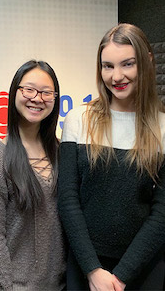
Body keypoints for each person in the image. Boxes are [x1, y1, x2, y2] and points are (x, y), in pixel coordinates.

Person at [58, 23, 165, 290]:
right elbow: (68, 201)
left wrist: (123, 275)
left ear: (147, 62)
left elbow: (162, 212)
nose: (117, 76)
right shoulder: (78, 120)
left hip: (143, 266)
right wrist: (93, 271)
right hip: (86, 265)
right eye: (107, 66)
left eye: (127, 64)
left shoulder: (162, 127)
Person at [0, 60, 66, 290]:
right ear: (14, 91)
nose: (37, 98)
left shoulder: (62, 153)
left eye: (46, 92)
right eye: (29, 89)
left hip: (61, 284)